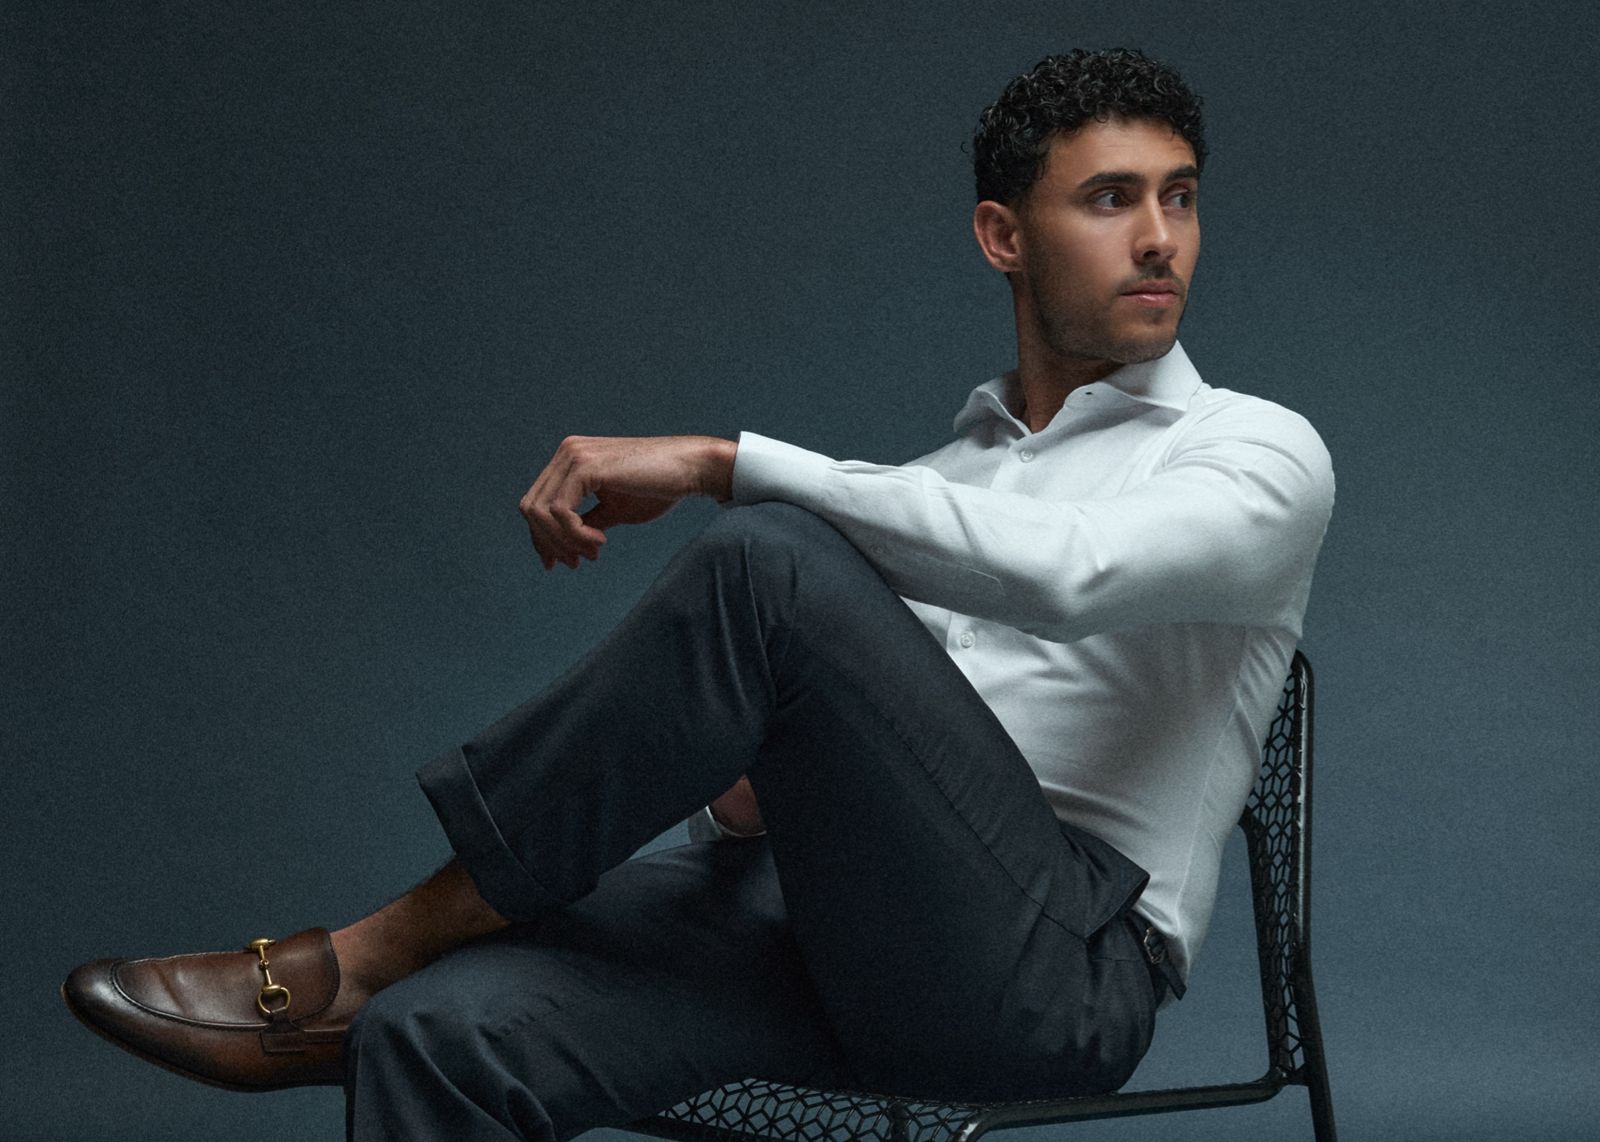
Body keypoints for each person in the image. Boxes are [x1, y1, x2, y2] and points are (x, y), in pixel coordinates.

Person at [62, 47, 1334, 1141]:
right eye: (1111, 198)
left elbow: (1070, 572)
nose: (1159, 236)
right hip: (825, 926)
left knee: (769, 559)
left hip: (1052, 976)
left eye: (1178, 196)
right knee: (438, 1032)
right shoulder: (930, 486)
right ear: (1003, 235)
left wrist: (721, 463)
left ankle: (373, 944)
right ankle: (393, 981)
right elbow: (811, 775)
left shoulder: (1256, 453)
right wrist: (747, 783)